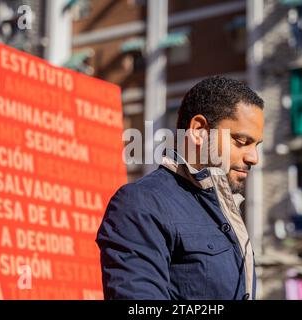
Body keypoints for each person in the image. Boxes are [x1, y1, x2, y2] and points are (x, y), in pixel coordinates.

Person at [96, 76, 265, 300]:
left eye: (257, 145)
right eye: (242, 142)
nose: (254, 158)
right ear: (198, 131)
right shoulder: (141, 203)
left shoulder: (223, 210)